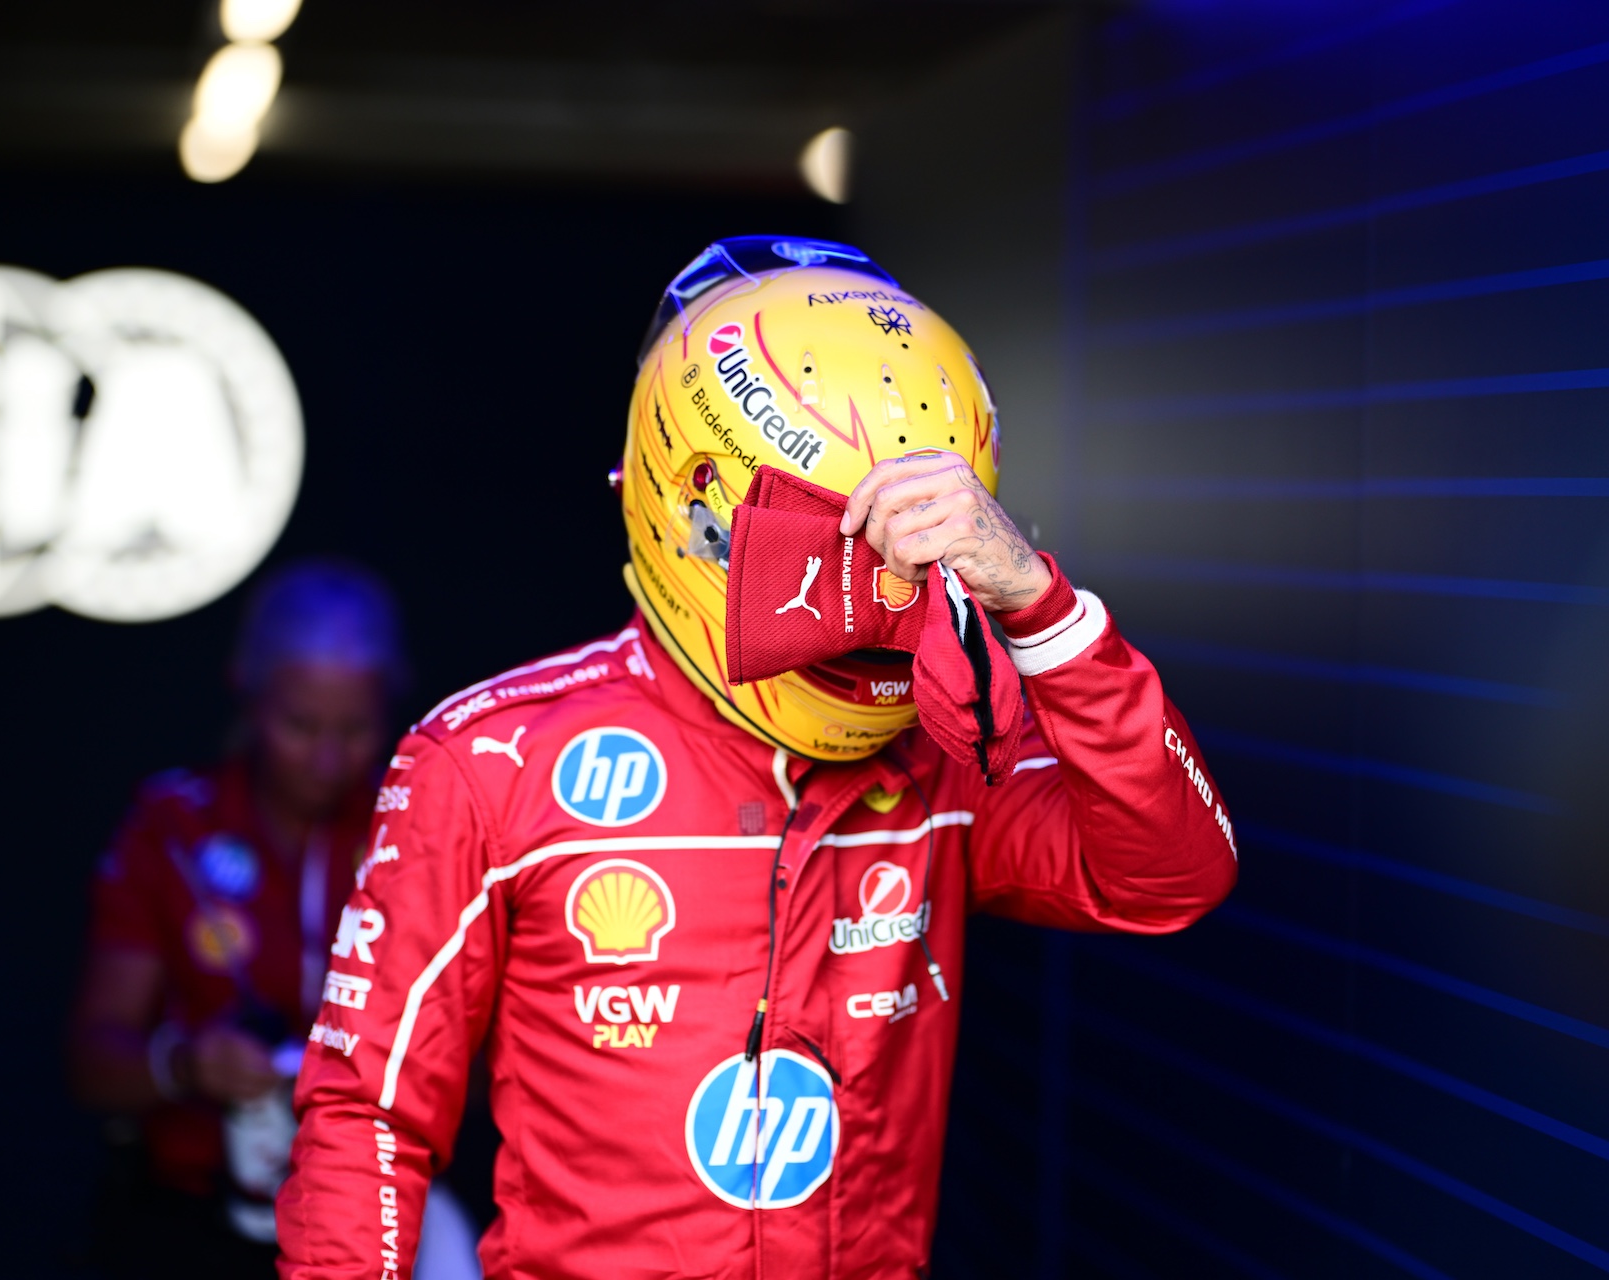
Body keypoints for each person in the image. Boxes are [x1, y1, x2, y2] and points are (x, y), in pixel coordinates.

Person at [277, 237, 1239, 1278]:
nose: (870, 599)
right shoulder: (489, 756)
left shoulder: (946, 747)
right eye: (830, 549)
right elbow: (366, 1111)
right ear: (694, 514)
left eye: (910, 554)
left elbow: (1173, 870)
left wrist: (1037, 606)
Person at [71, 559, 482, 1280]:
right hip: (189, 1218)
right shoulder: (174, 829)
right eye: (300, 725)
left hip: (372, 1218)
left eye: (355, 729)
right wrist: (188, 1062)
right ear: (248, 693)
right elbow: (93, 1060)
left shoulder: (419, 830)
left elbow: (487, 1055)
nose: (327, 758)